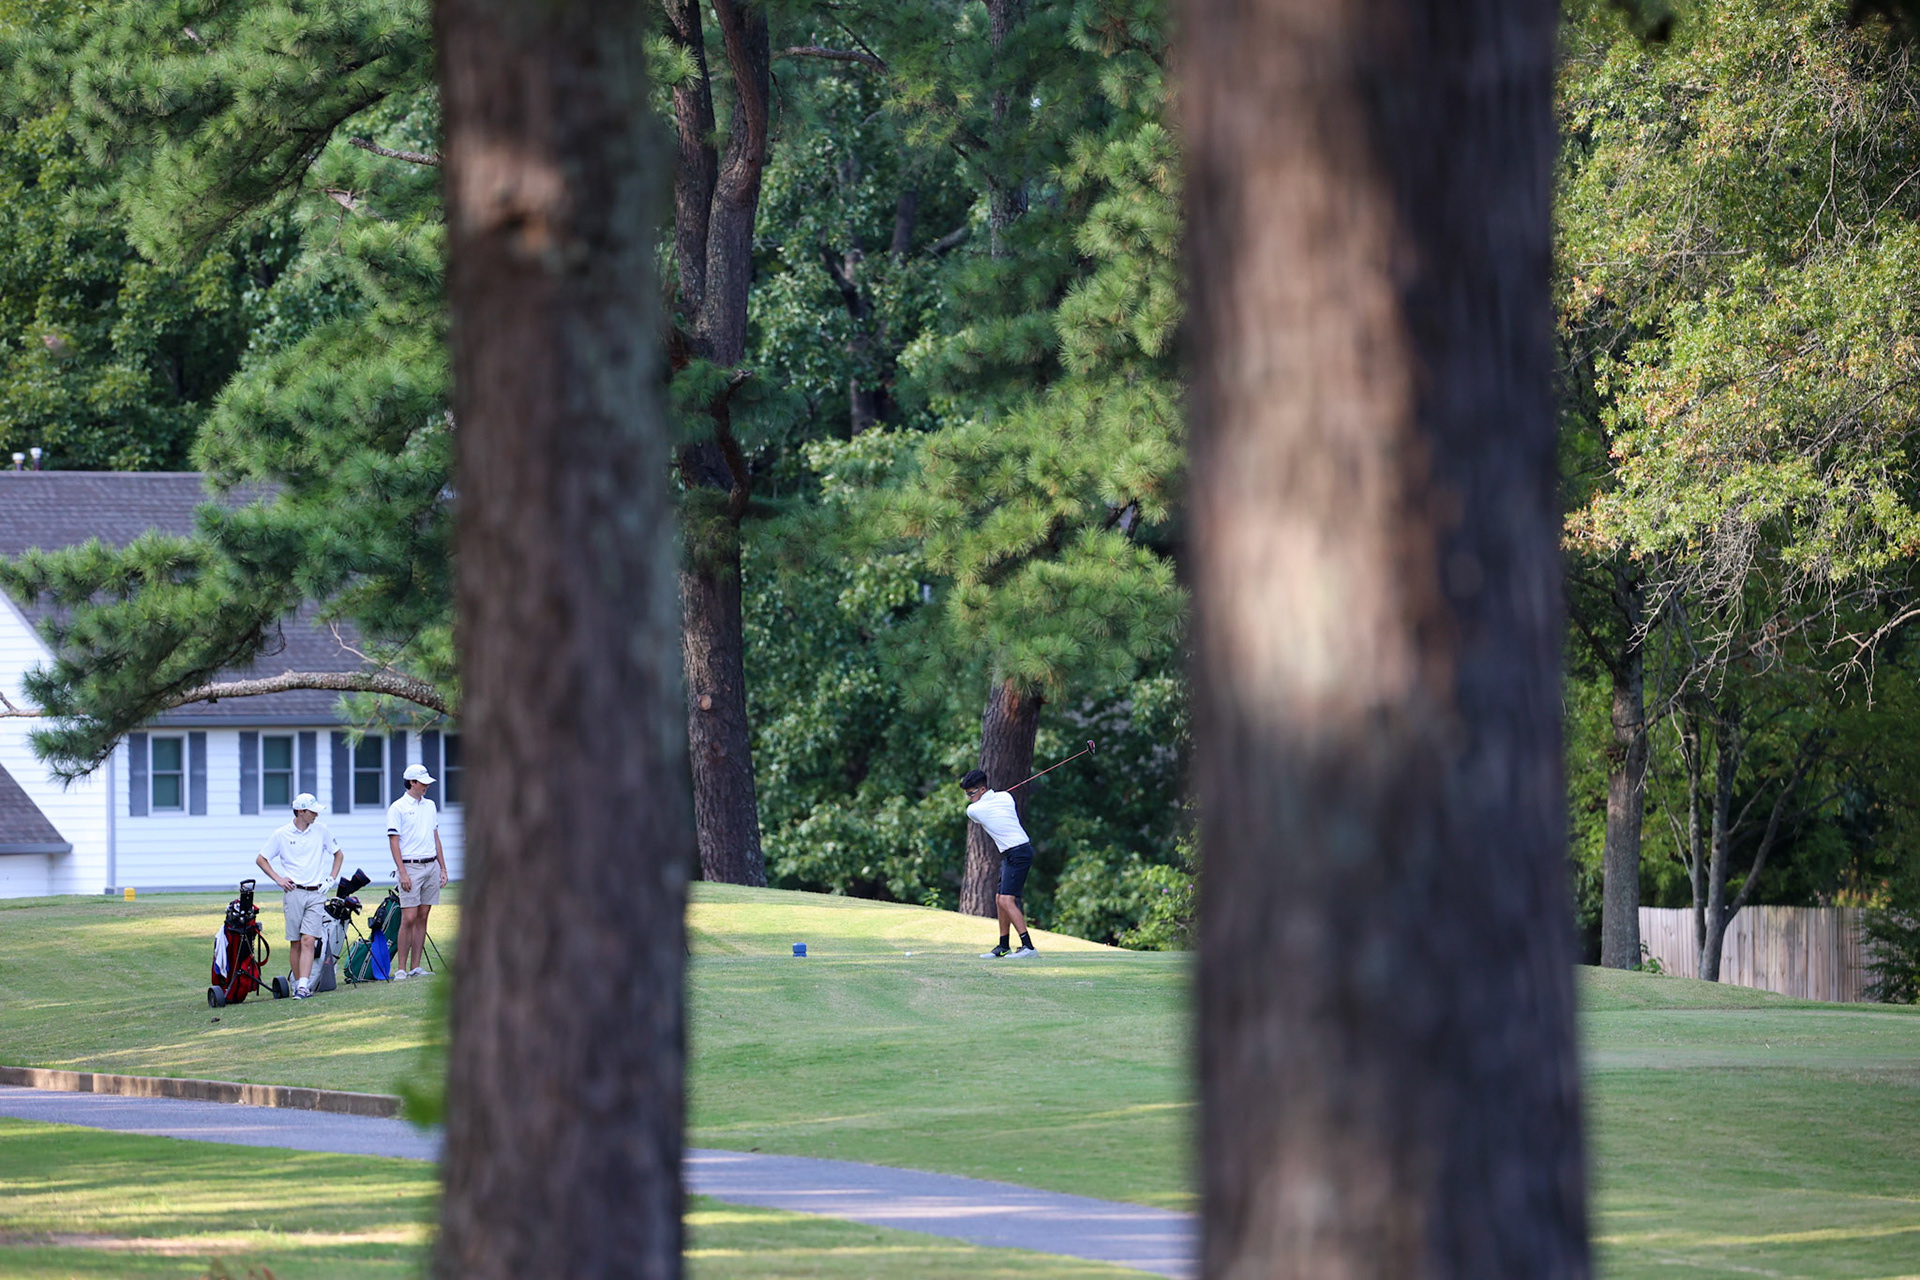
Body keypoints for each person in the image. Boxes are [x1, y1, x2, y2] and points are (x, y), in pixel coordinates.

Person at [254, 793, 345, 999]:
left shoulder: (321, 831)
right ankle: (297, 984)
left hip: (316, 893)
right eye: (312, 811)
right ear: (301, 811)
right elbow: (261, 859)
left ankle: (303, 985)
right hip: (293, 892)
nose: (316, 815)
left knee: (308, 939)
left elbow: (338, 854)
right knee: (295, 941)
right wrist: (278, 879)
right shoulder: (281, 834)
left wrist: (331, 879)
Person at [961, 769, 1038, 959]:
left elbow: (983, 810)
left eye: (971, 793)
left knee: (1006, 900)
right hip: (1013, 853)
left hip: (1018, 853)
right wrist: (988, 797)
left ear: (983, 790)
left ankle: (1028, 947)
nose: (969, 798)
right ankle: (1003, 946)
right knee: (999, 899)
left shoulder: (973, 811)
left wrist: (985, 800)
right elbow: (996, 801)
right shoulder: (1005, 797)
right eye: (967, 794)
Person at [387, 762, 448, 979]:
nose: (426, 786)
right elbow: (394, 842)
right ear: (412, 782)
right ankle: (401, 969)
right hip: (410, 866)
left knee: (423, 916)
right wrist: (402, 872)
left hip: (431, 864)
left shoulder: (430, 806)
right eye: (422, 783)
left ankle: (415, 967)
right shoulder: (397, 808)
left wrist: (443, 867)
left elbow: (435, 837)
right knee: (409, 917)